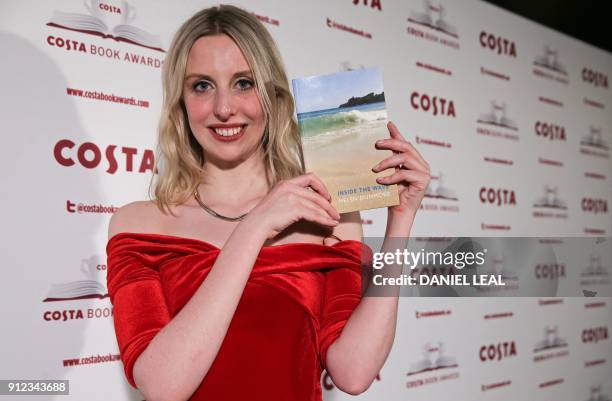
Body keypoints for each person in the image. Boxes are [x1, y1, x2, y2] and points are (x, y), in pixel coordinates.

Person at [106, 4, 430, 401]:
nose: (224, 108)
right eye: (202, 86)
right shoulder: (139, 225)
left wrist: (401, 220)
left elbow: (354, 371)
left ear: (273, 95)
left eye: (243, 82)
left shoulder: (327, 213)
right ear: (180, 101)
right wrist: (255, 228)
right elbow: (162, 386)